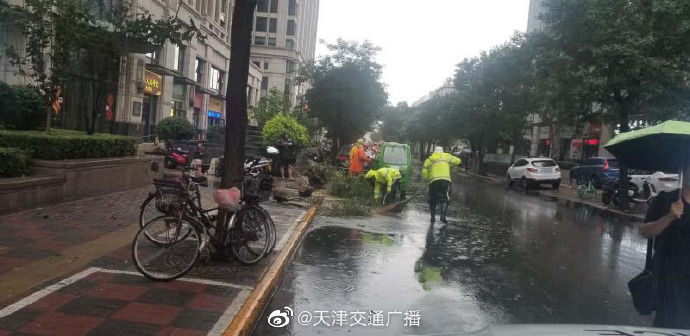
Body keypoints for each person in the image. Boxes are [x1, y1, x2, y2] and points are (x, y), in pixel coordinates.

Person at [640, 166, 690, 329]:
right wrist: (669, 217)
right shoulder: (666, 199)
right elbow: (646, 231)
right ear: (684, 171)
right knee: (669, 323)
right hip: (669, 278)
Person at [422, 146, 461, 223]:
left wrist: (427, 179)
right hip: (445, 180)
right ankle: (442, 215)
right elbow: (458, 161)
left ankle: (432, 217)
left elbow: (424, 171)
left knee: (432, 199)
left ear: (434, 152)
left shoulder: (429, 159)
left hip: (433, 181)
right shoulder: (447, 156)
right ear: (442, 151)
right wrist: (450, 164)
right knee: (445, 198)